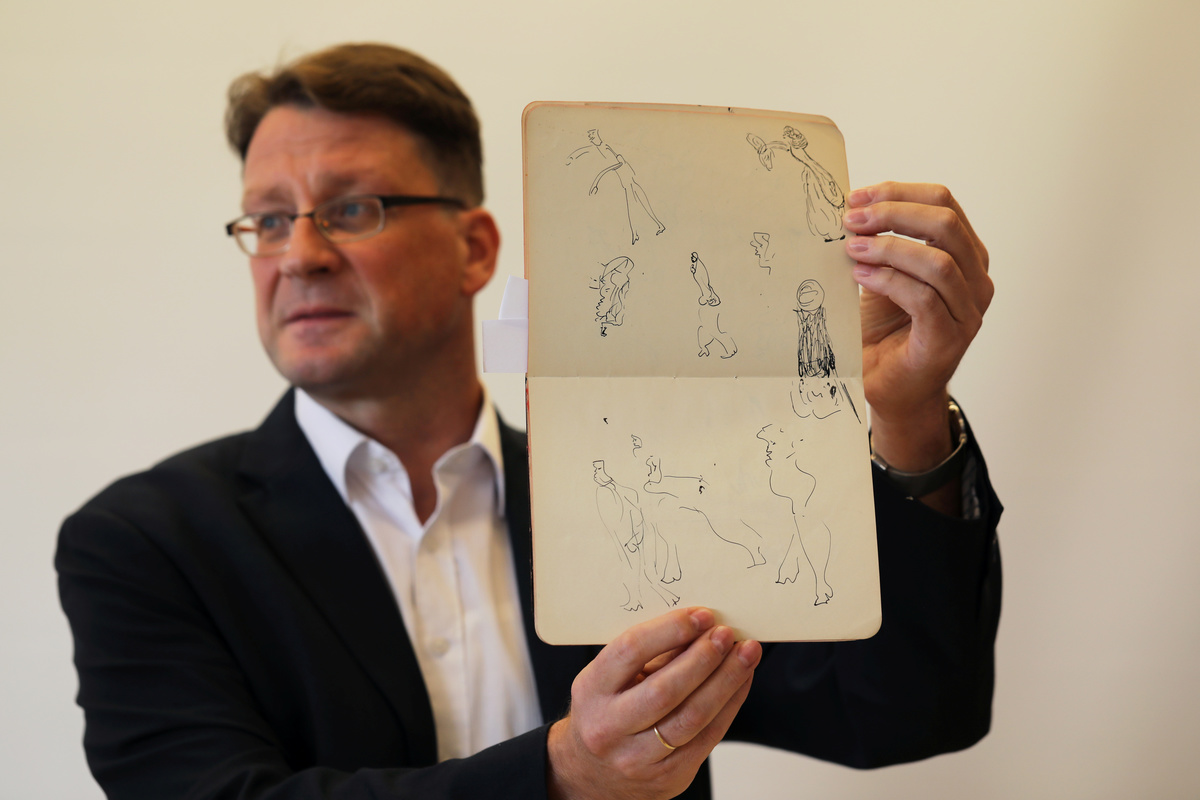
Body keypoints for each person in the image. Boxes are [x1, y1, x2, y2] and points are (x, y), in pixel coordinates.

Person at [56, 43, 1001, 800]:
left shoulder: (638, 484)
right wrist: (563, 777)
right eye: (267, 219)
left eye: (351, 208)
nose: (298, 254)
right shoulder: (146, 543)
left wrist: (907, 412)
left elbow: (903, 713)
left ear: (474, 248)